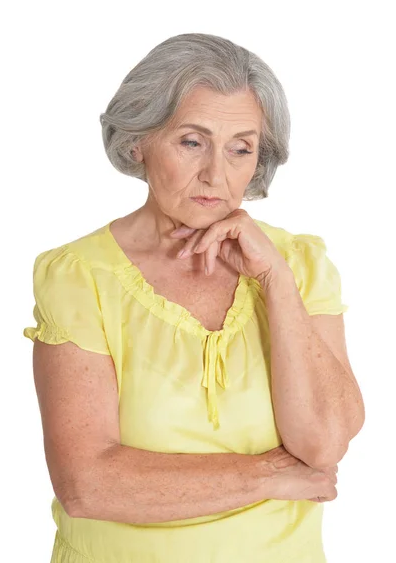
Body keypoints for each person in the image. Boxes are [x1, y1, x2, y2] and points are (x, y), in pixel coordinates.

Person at [23, 32, 365, 563]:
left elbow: (322, 445)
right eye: (191, 141)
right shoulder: (78, 276)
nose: (216, 174)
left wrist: (274, 279)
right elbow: (89, 485)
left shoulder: (299, 263)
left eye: (240, 149)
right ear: (139, 141)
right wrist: (273, 474)